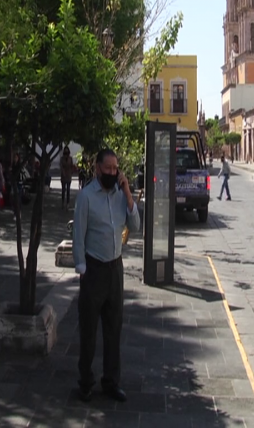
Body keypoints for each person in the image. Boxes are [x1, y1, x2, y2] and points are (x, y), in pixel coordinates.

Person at [73, 148, 140, 404]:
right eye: (108, 168)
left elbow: (135, 226)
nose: (112, 172)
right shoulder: (86, 197)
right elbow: (78, 234)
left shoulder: (120, 195)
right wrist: (81, 268)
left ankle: (111, 382)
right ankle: (85, 382)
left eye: (116, 168)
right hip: (93, 269)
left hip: (115, 269)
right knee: (89, 331)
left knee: (114, 330)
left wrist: (127, 191)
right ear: (97, 168)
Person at [60, 146, 76, 210]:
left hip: (69, 175)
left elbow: (72, 165)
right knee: (63, 190)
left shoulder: (70, 158)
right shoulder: (62, 158)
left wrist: (72, 171)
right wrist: (63, 173)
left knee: (68, 190)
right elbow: (61, 166)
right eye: (65, 151)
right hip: (63, 176)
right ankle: (63, 203)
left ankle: (68, 203)